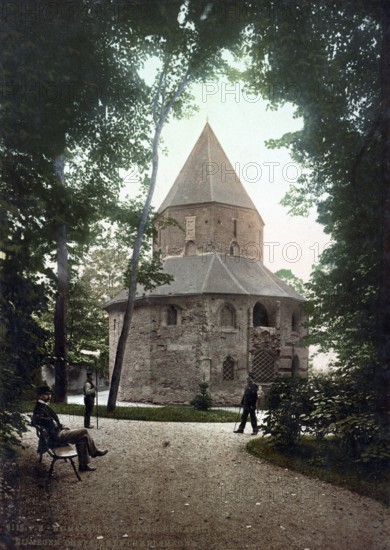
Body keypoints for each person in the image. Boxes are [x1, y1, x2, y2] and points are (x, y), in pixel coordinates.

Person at [32, 385, 108, 472]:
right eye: (46, 394)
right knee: (84, 431)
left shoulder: (43, 406)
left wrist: (59, 425)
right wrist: (52, 422)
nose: (49, 396)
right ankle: (94, 452)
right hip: (56, 436)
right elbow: (35, 419)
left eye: (49, 394)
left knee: (82, 438)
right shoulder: (39, 407)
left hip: (57, 433)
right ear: (40, 396)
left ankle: (83, 466)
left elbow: (44, 420)